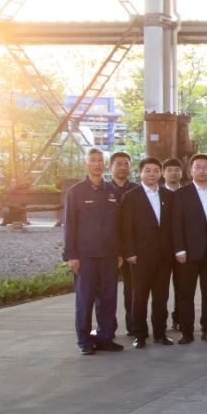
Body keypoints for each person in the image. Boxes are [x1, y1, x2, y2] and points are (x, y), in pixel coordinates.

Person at [63, 148, 124, 355]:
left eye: (100, 160)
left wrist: (119, 252)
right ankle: (85, 341)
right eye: (93, 160)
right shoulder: (76, 192)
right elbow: (69, 225)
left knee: (108, 299)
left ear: (104, 164)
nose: (97, 164)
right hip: (85, 256)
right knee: (85, 300)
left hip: (109, 255)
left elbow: (119, 226)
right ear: (85, 164)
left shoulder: (113, 191)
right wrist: (71, 255)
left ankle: (105, 338)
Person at [118, 157, 173, 348]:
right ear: (140, 173)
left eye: (156, 170)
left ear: (161, 173)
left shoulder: (168, 195)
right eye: (147, 170)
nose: (152, 174)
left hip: (164, 256)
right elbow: (125, 227)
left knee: (161, 297)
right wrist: (129, 251)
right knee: (139, 297)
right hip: (140, 256)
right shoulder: (131, 196)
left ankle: (160, 333)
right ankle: (139, 335)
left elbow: (173, 226)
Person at [172, 153, 207, 343]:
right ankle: (187, 332)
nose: (202, 170)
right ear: (190, 171)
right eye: (198, 167)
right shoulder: (180, 194)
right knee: (186, 294)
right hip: (187, 253)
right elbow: (176, 224)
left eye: (206, 167)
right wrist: (179, 249)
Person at [105, 151, 137, 335]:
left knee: (132, 290)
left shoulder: (137, 190)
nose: (123, 167)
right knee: (107, 291)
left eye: (126, 164)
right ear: (111, 167)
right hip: (109, 248)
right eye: (119, 164)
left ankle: (133, 326)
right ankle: (107, 330)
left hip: (131, 248)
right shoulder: (103, 190)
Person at [161, 157, 184, 332]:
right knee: (161, 289)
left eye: (176, 170)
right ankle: (160, 322)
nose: (173, 173)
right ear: (163, 173)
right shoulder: (157, 193)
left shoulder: (187, 193)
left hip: (183, 249)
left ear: (182, 173)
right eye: (169, 170)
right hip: (162, 249)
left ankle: (179, 319)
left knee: (182, 287)